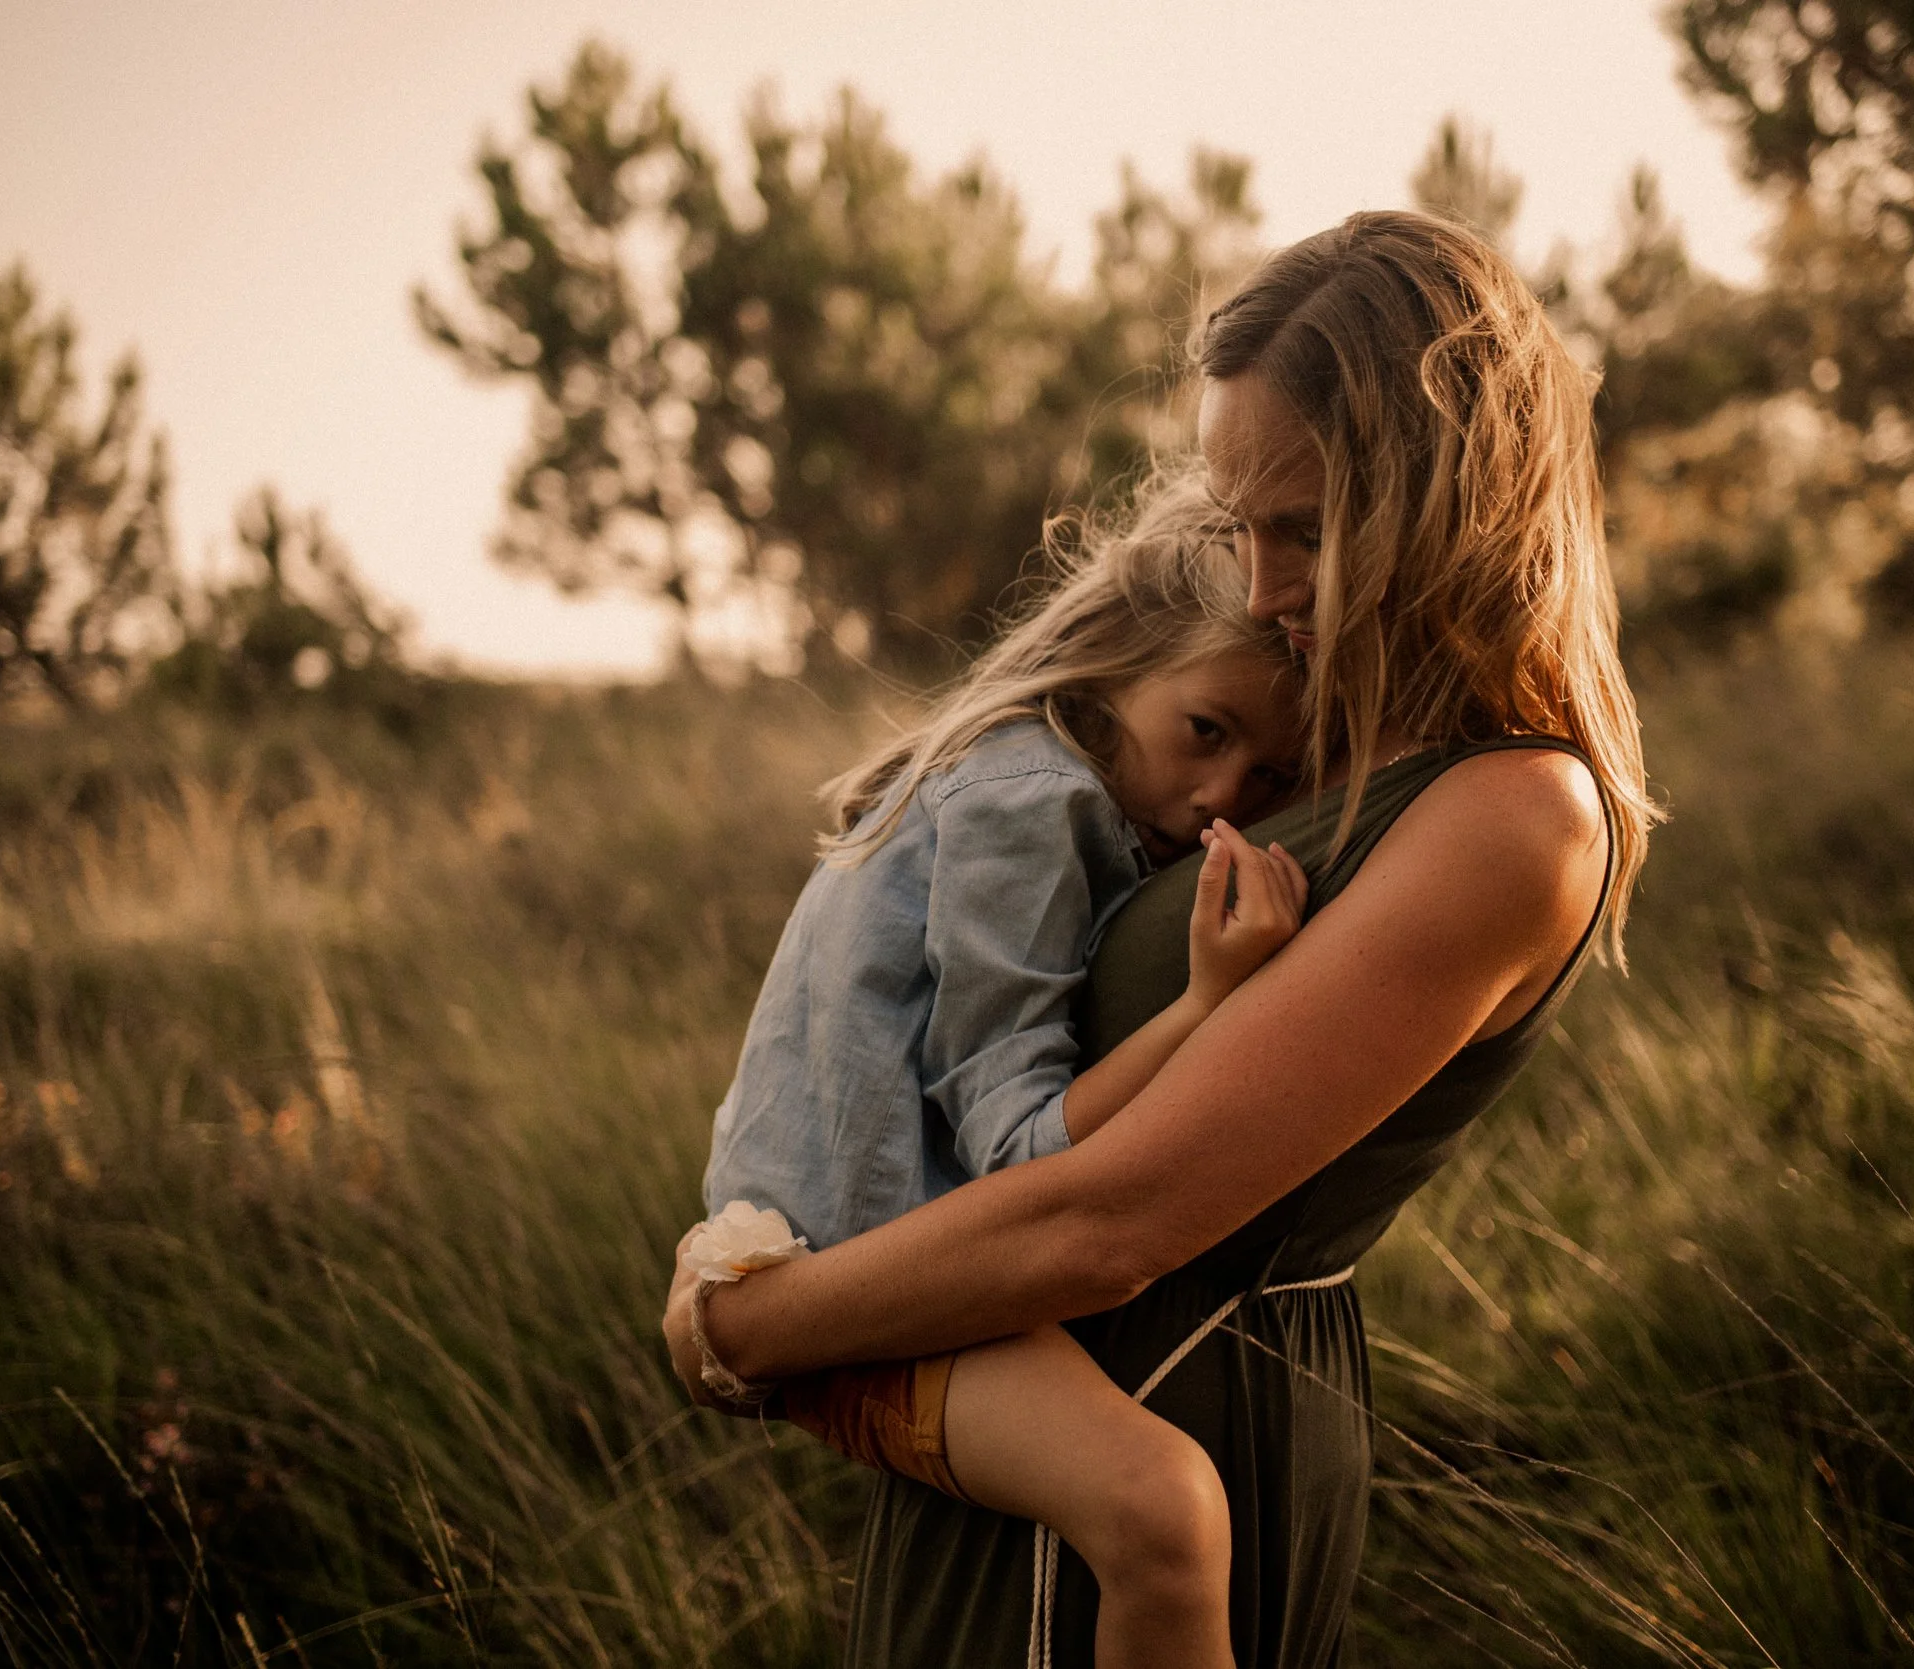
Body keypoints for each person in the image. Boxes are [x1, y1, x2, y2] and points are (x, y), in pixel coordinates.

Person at [664, 208, 1659, 1668]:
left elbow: (1109, 1223)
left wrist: (747, 1328)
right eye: (1240, 526)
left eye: (1304, 529)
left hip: (1158, 1434)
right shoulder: (1295, 731)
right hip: (1001, 1393)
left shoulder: (1513, 815)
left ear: (1451, 502)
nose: (1261, 586)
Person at [683, 474, 1312, 1669]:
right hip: (856, 1271)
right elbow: (1020, 1145)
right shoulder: (1032, 803)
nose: (1222, 799)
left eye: (1270, 779)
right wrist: (1206, 1005)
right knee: (1164, 1513)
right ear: (1115, 661)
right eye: (1206, 730)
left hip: (844, 1241)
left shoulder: (1028, 773)